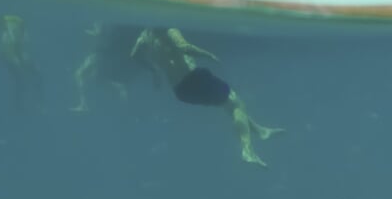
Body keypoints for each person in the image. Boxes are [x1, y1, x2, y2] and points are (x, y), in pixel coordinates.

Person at [72, 24, 283, 166]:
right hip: (194, 78)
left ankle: (260, 130)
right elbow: (185, 47)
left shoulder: (144, 37)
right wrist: (207, 54)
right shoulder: (169, 30)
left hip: (180, 91)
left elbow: (134, 56)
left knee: (229, 102)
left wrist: (154, 72)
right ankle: (247, 149)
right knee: (236, 104)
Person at [0, 14, 42, 108]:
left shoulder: (10, 23)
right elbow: (11, 54)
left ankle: (33, 100)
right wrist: (19, 63)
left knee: (34, 75)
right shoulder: (6, 39)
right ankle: (20, 104)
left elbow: (19, 21)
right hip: (10, 57)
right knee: (21, 81)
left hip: (15, 52)